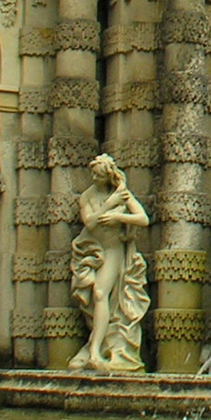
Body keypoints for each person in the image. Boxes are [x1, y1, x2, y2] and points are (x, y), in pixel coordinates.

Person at [69, 154, 151, 371]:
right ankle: (96, 348)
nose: (94, 178)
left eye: (99, 175)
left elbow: (143, 219)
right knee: (98, 297)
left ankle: (96, 351)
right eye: (93, 174)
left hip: (114, 251)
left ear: (108, 176)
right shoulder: (87, 196)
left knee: (99, 294)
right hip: (94, 252)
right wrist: (108, 205)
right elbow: (90, 223)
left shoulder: (122, 193)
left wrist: (120, 217)